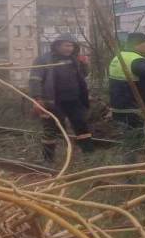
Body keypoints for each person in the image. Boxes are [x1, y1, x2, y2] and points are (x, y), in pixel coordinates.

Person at [28, 34, 95, 162]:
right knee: (50, 130)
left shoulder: (74, 59)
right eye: (67, 45)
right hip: (52, 102)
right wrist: (37, 98)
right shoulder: (43, 60)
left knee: (81, 126)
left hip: (74, 100)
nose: (70, 48)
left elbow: (83, 75)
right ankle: (48, 160)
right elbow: (35, 80)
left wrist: (85, 64)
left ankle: (89, 155)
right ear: (57, 46)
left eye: (72, 46)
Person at [107, 32, 145, 128]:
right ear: (136, 45)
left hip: (118, 108)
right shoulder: (136, 60)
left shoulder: (119, 56)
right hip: (136, 112)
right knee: (141, 134)